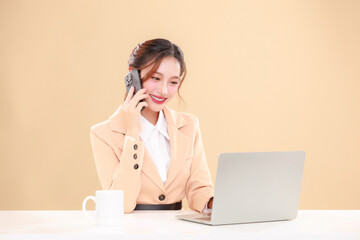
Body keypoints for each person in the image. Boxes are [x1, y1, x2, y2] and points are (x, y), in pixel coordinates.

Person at [90, 38, 214, 214]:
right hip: (131, 231)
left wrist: (214, 203)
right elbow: (121, 204)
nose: (163, 91)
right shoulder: (103, 134)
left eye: (173, 82)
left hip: (179, 230)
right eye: (156, 78)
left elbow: (199, 188)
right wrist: (132, 134)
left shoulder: (189, 126)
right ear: (132, 75)